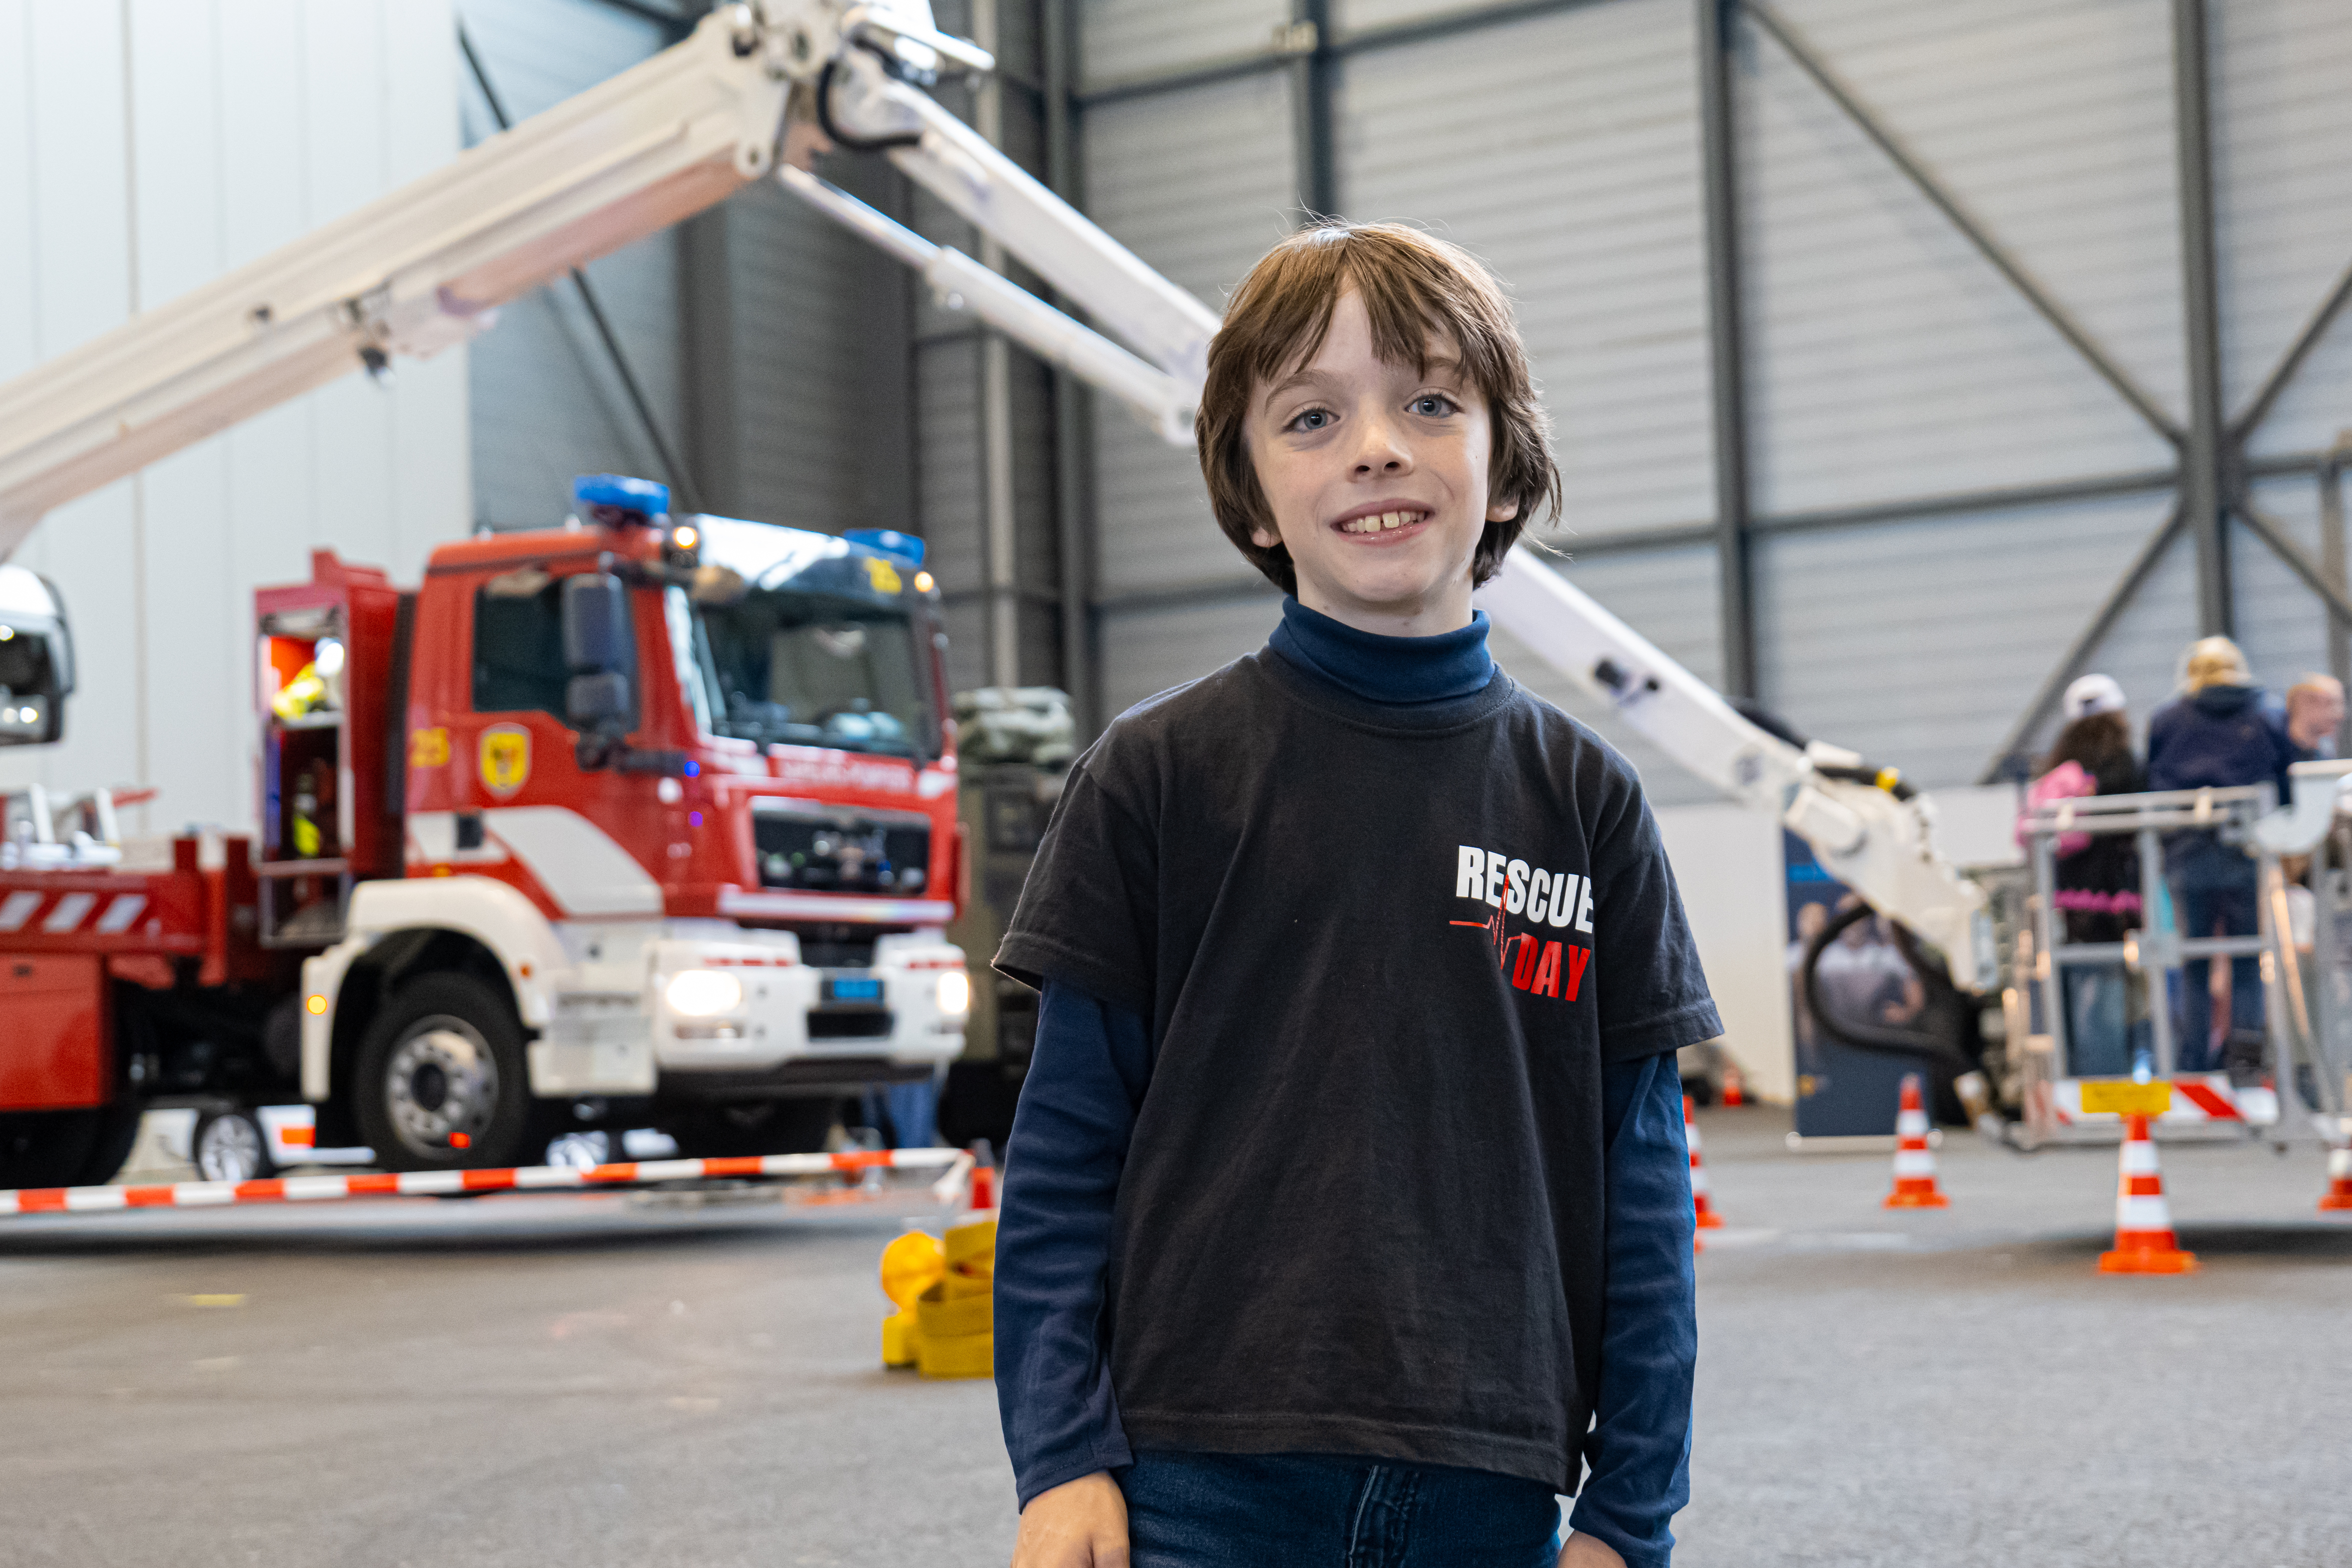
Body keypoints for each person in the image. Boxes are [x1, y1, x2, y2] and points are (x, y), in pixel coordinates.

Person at [994, 222, 1716, 1568]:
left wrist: (1630, 1511)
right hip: (1193, 1481)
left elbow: (1641, 1187)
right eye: (1312, 415)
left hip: (1489, 1488)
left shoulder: (1585, 803)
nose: (1376, 445)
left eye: (1430, 400)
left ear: (1503, 468)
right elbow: (1061, 1161)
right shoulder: (1155, 778)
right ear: (1256, 498)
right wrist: (1061, 1456)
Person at [2145, 637, 2295, 1074]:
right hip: (2248, 852)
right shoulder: (2266, 713)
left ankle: (2192, 1064)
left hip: (2187, 854)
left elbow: (2153, 778)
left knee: (2194, 962)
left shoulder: (2168, 719)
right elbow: (2283, 778)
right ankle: (2245, 1063)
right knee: (2249, 960)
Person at [2037, 674, 2145, 1076]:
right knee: (2110, 990)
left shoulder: (2062, 764)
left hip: (2068, 895)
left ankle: (2080, 1073)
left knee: (2079, 987)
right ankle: (2110, 1078)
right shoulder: (2121, 764)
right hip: (2113, 895)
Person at [2285, 674, 2344, 761]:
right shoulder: (2269, 737)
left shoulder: (2323, 751)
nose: (2340, 716)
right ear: (2304, 703)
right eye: (2329, 703)